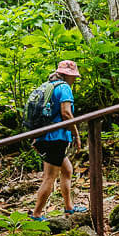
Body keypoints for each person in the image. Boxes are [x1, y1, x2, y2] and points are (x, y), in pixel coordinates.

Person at [32, 59, 85, 220]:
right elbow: (66, 113)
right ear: (68, 76)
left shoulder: (48, 86)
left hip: (45, 137)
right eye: (73, 77)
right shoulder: (64, 88)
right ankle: (36, 213)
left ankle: (69, 207)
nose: (74, 79)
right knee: (49, 177)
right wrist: (76, 134)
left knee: (67, 169)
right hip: (55, 138)